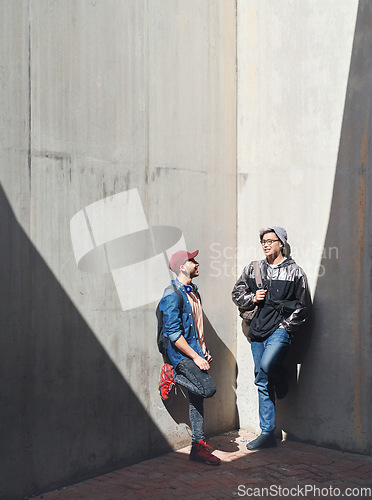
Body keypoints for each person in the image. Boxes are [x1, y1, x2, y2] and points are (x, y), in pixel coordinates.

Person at [232, 226, 312, 450]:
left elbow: (304, 306)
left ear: (281, 243)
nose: (266, 244)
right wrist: (252, 297)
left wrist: (286, 327)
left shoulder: (295, 272)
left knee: (268, 365)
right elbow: (236, 294)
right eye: (263, 241)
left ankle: (281, 373)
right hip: (257, 331)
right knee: (261, 380)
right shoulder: (254, 269)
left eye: (270, 240)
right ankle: (267, 433)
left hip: (280, 330)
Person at [158, 249, 220, 465]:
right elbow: (174, 335)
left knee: (197, 399)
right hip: (181, 357)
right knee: (207, 389)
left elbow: (197, 328)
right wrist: (196, 357)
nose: (197, 263)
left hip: (196, 354)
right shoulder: (171, 294)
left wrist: (204, 352)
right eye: (193, 260)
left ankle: (197, 446)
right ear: (182, 266)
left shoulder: (194, 292)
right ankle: (171, 376)